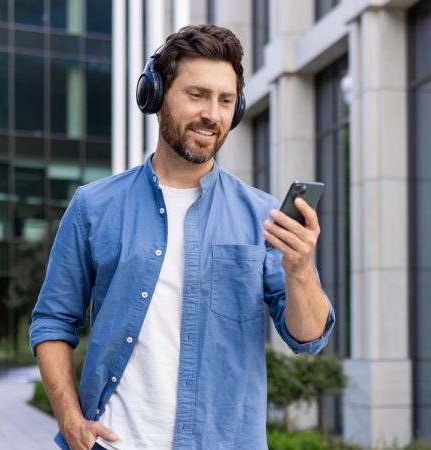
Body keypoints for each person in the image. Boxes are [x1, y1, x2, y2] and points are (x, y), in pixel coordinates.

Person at [29, 24, 335, 450]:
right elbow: (52, 321)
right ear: (155, 96)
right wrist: (70, 420)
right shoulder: (93, 206)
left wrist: (299, 270)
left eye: (225, 100)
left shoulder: (260, 215)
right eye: (197, 95)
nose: (213, 113)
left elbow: (307, 338)